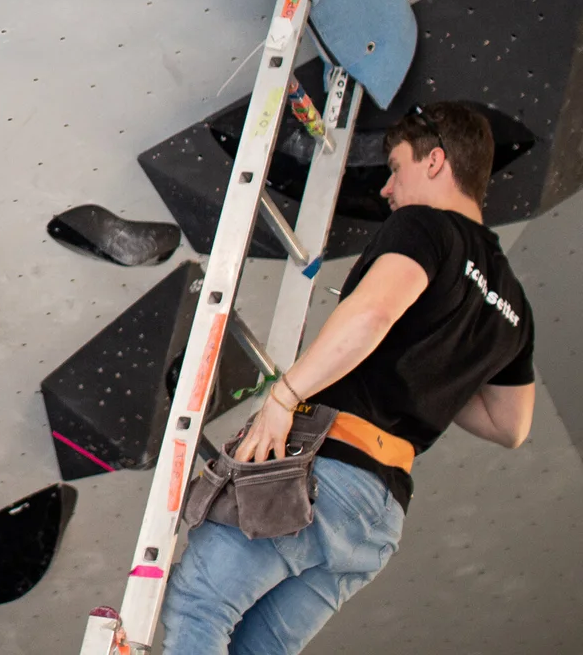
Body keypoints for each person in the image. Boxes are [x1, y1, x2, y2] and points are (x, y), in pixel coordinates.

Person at [160, 100, 536, 653]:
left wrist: (284, 397)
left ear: (435, 162)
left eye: (396, 167)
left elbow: (373, 314)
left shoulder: (426, 228)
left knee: (199, 605)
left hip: (323, 473)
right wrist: (442, 357)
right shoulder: (513, 304)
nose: (387, 189)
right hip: (377, 515)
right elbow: (511, 425)